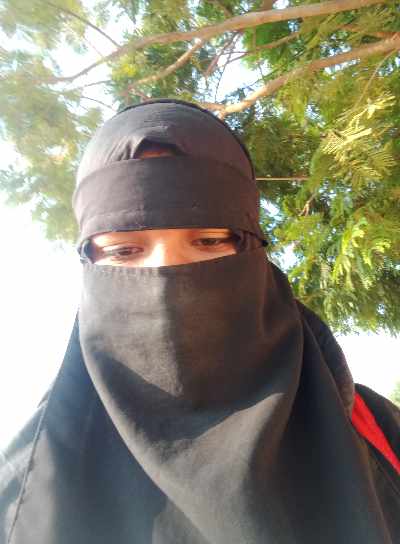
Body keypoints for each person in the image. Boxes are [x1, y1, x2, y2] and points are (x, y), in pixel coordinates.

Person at [1, 99, 399, 544]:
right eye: (123, 251)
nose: (167, 274)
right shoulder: (20, 497)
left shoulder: (380, 432)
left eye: (209, 241)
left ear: (254, 253)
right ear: (89, 265)